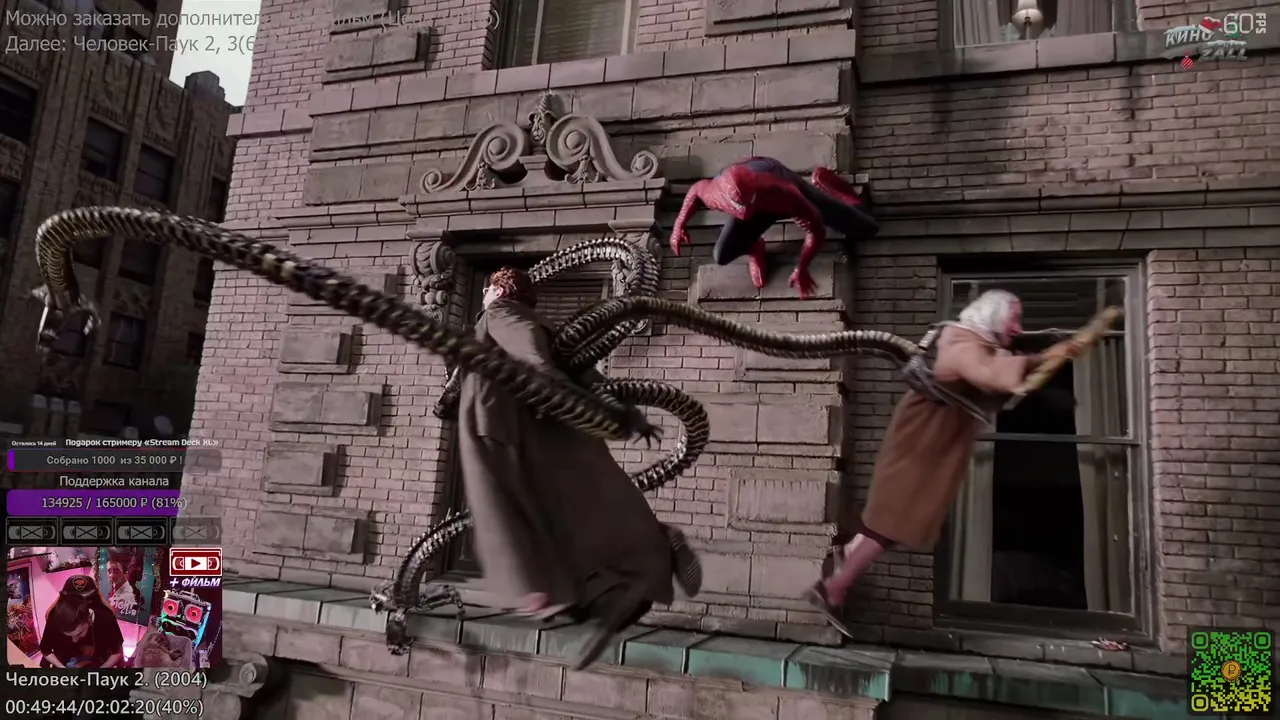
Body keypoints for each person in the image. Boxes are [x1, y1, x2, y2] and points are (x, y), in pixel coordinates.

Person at [457, 267, 701, 670]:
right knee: (582, 506)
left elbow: (528, 348)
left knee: (509, 509)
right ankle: (636, 570)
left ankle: (555, 596)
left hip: (508, 428)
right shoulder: (548, 327)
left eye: (486, 289)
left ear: (498, 290)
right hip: (546, 427)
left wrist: (554, 388)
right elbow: (586, 374)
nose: (483, 296)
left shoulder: (499, 313)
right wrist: (626, 415)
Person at [803, 290, 1082, 635]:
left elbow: (1001, 377)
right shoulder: (962, 343)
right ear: (993, 316)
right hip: (923, 440)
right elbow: (994, 375)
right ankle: (833, 588)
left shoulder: (975, 342)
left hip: (935, 441)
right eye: (1014, 319)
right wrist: (1044, 357)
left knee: (893, 517)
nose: (1018, 327)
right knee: (892, 519)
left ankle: (845, 559)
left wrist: (1046, 358)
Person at [669, 157, 879, 298]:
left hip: (776, 191)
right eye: (739, 206)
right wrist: (679, 225)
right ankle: (754, 247)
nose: (744, 212)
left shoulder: (783, 191)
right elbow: (695, 191)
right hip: (757, 200)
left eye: (747, 203)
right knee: (722, 254)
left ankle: (829, 186)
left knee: (865, 226)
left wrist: (801, 267)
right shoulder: (714, 193)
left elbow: (815, 229)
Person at [38, 576, 124, 668]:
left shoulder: (105, 619)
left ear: (89, 619)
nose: (74, 640)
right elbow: (45, 650)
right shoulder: (55, 619)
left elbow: (117, 652)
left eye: (79, 633)